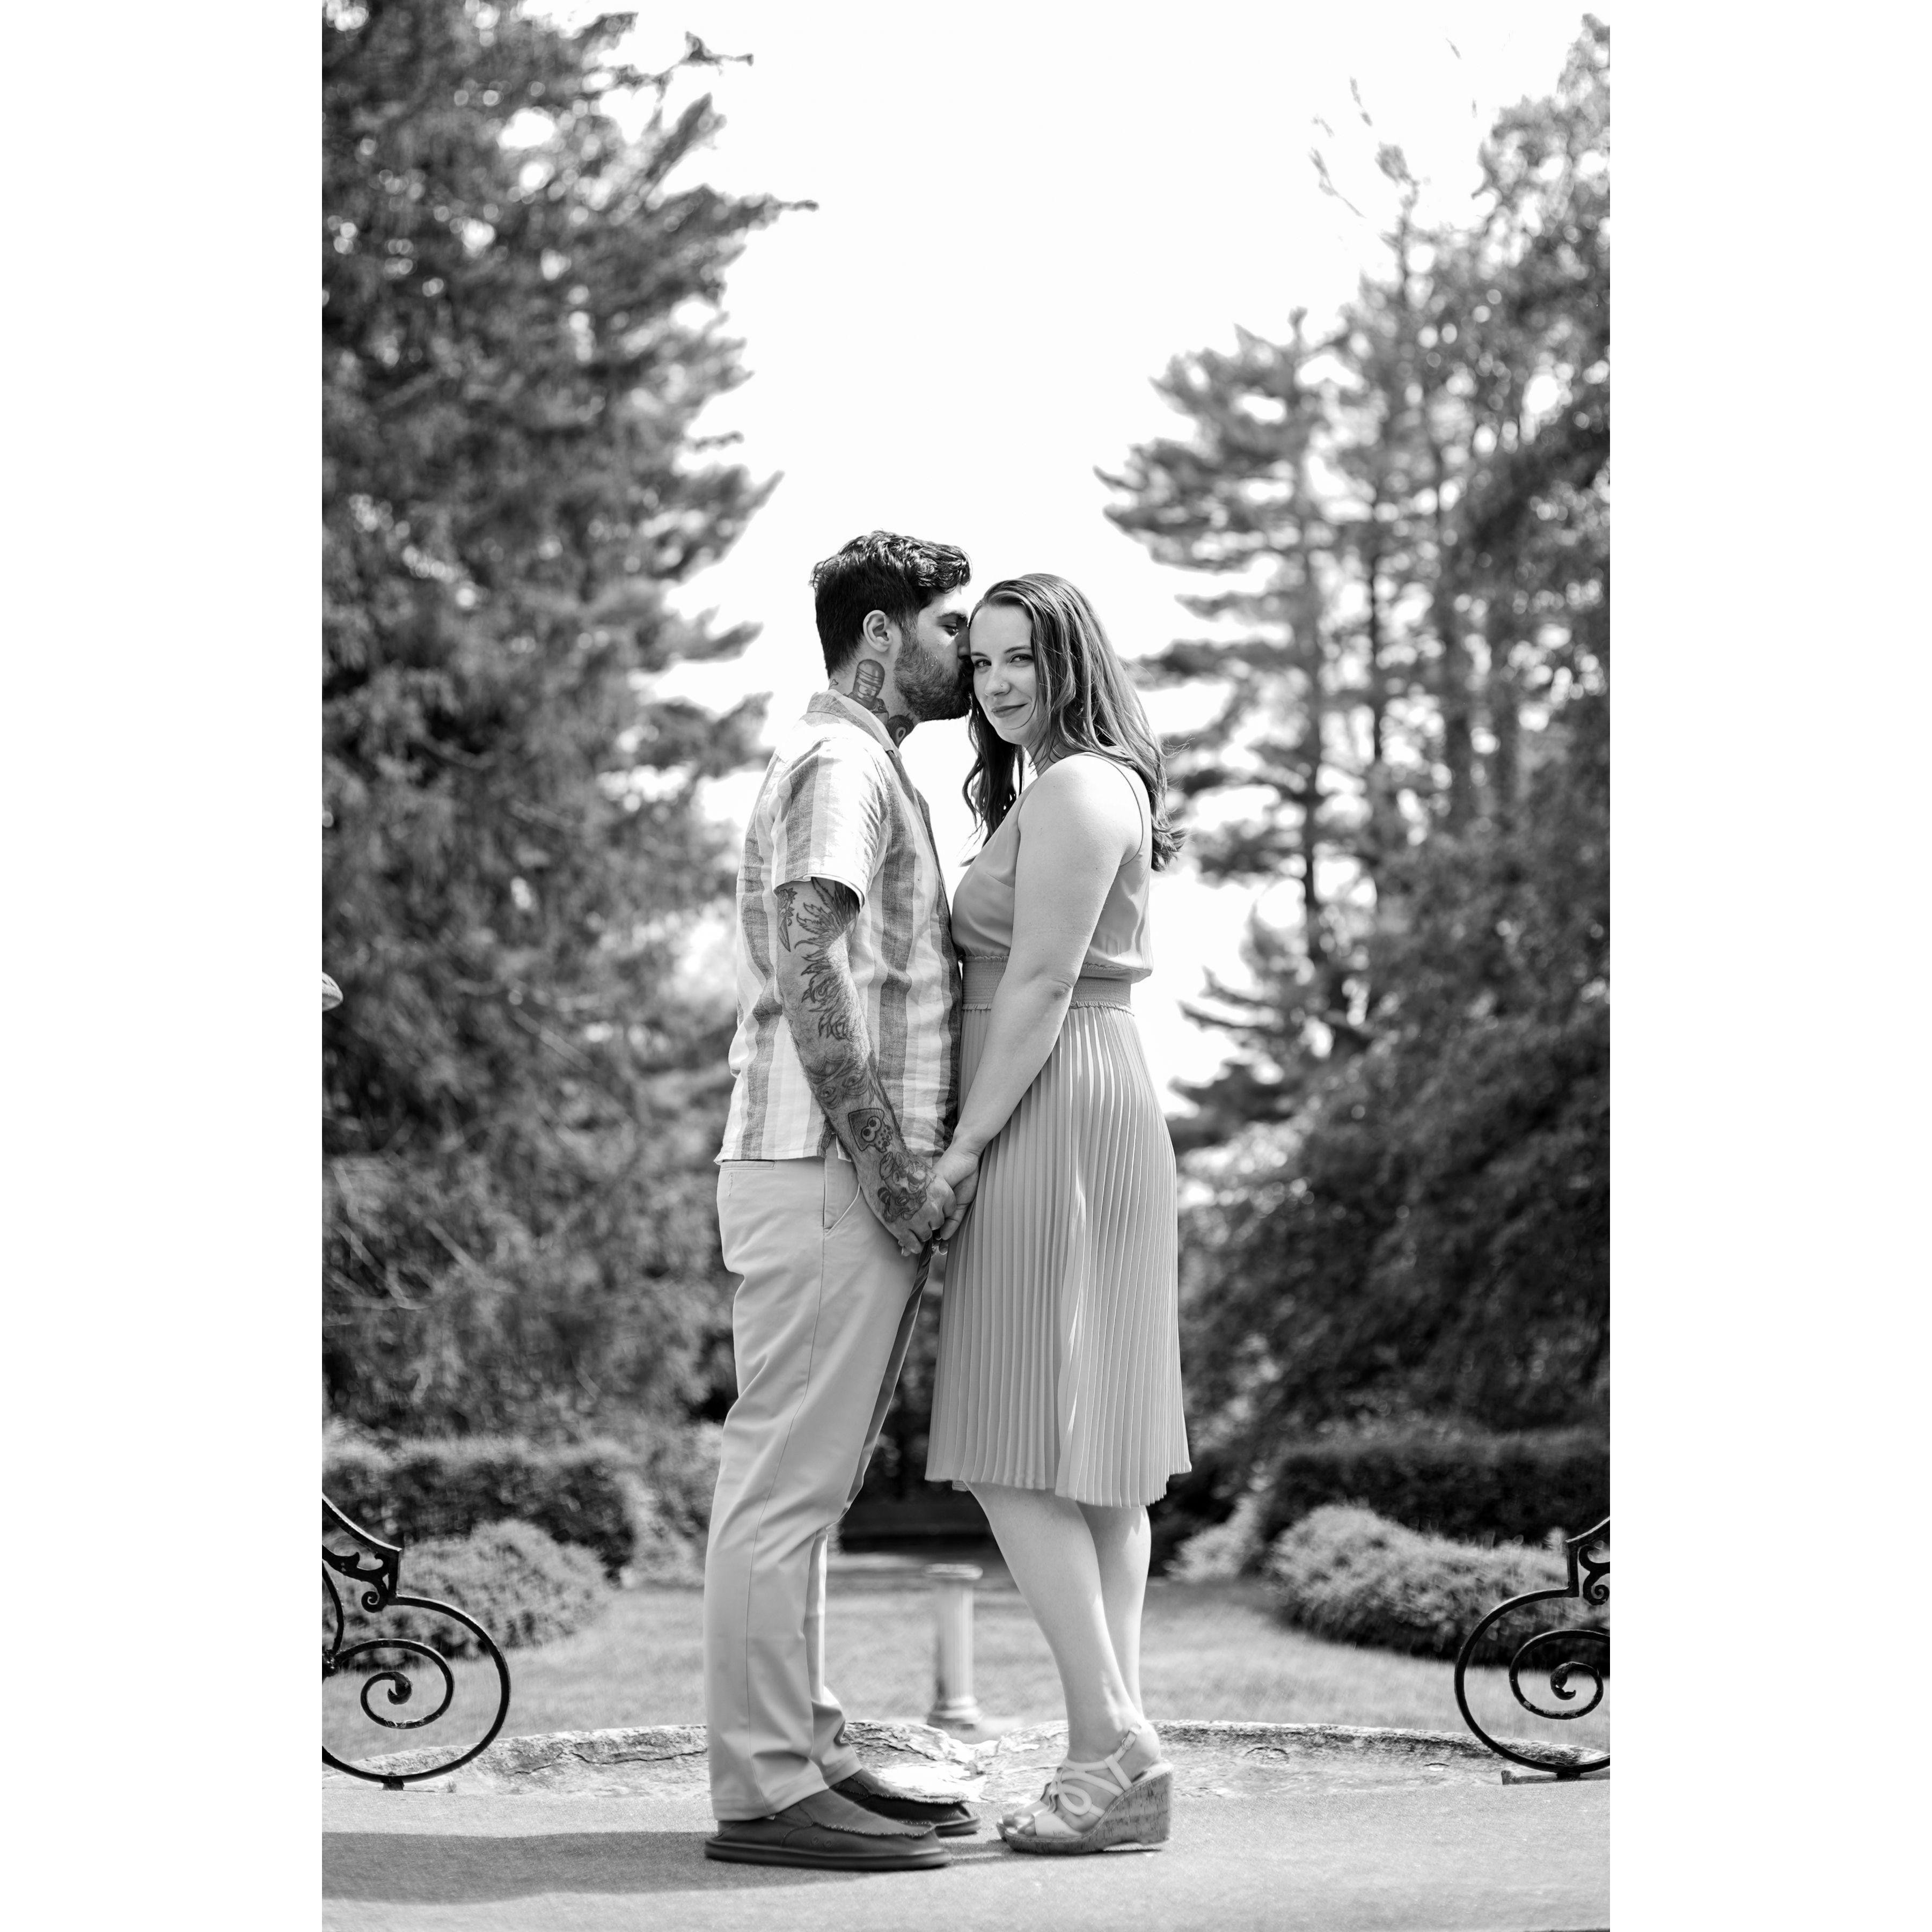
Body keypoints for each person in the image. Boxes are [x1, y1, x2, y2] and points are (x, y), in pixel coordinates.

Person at [701, 531, 984, 1873]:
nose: (967, 652)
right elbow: (808, 962)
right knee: (780, 1488)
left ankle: (804, 1751)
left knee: (805, 1489)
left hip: (830, 1175)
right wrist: (890, 1170)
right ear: (881, 632)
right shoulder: (842, 765)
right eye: (949, 626)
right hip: (826, 1174)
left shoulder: (866, 764)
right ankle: (765, 1789)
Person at [923, 573, 1191, 1855]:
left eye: (1021, 658)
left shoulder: (1081, 788)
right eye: (981, 663)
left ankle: (1115, 1742)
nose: (997, 684)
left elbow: (1035, 985)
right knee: (1097, 1473)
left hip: (1054, 1108)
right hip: (1079, 1095)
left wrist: (963, 1150)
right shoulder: (1070, 786)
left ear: (1072, 659)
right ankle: (1110, 1759)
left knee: (1007, 1448)